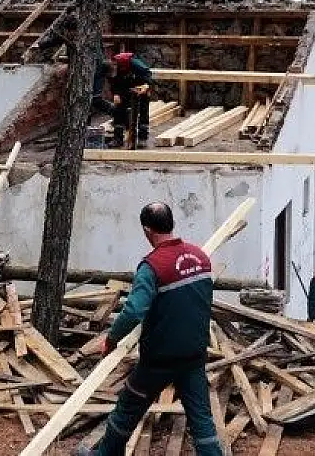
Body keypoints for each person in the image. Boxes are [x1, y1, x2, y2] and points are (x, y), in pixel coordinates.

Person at [75, 203, 224, 456]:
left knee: (127, 409)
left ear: (147, 229)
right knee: (202, 420)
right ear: (171, 223)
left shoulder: (152, 266)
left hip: (159, 359)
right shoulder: (201, 258)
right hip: (194, 354)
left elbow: (133, 311)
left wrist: (111, 340)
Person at [103, 52, 153, 145]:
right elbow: (113, 83)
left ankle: (142, 138)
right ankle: (118, 139)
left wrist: (146, 85)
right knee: (118, 111)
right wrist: (116, 94)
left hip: (141, 88)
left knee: (143, 112)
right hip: (125, 89)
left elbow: (147, 73)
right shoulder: (111, 70)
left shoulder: (135, 63)